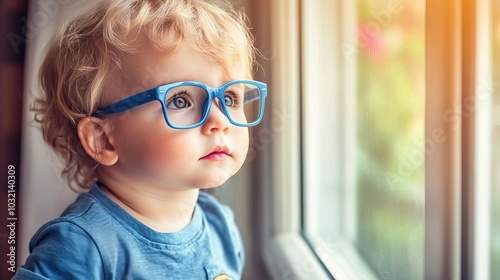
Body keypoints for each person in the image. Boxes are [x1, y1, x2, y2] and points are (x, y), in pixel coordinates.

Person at [13, 0, 267, 279]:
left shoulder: (220, 226)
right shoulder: (81, 247)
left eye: (229, 98)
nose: (220, 122)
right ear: (103, 139)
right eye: (180, 100)